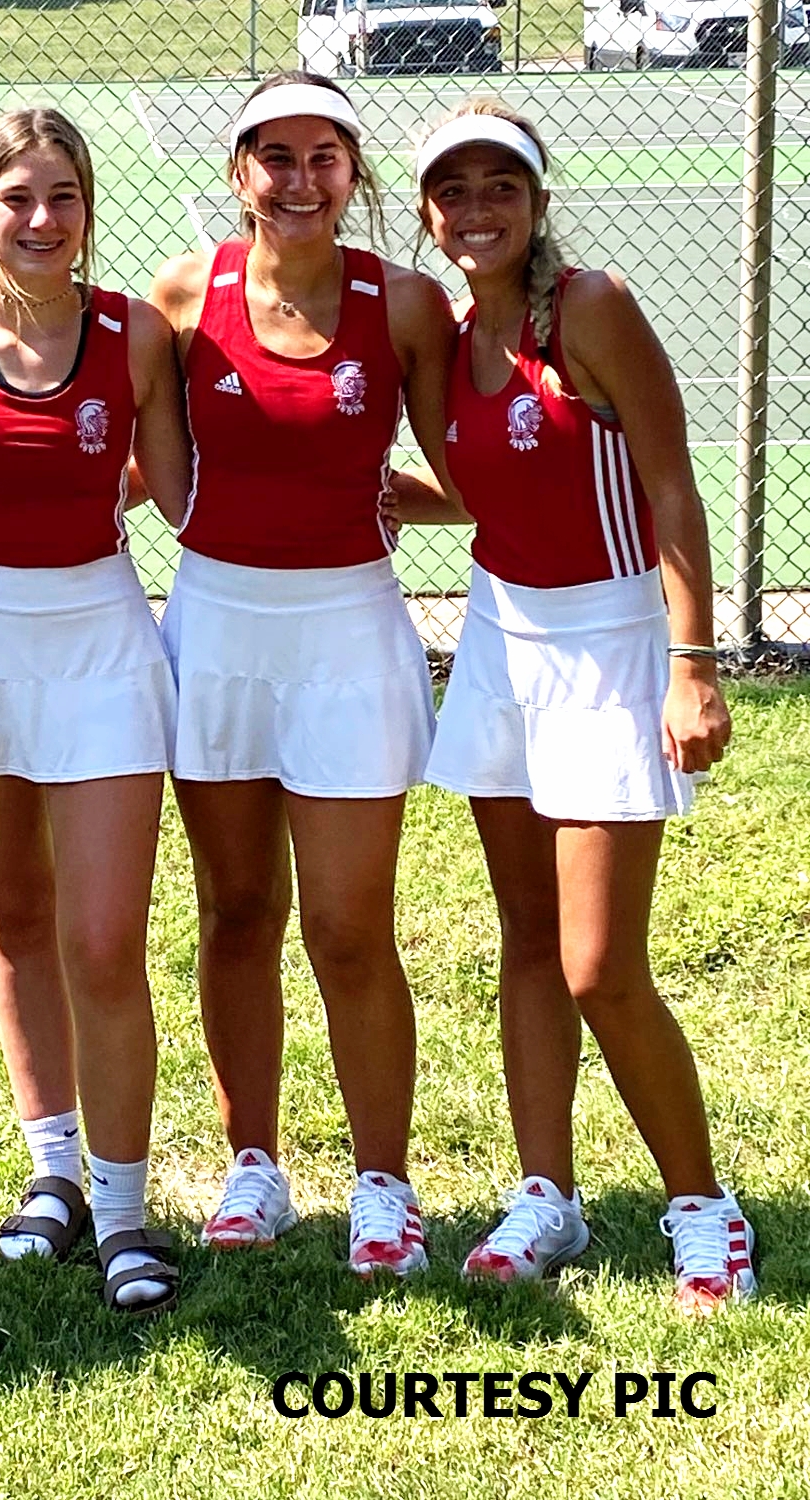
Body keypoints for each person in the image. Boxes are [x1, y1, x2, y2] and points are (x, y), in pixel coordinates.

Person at [405, 100, 753, 1311]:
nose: (478, 209)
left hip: (614, 646)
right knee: (526, 941)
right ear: (429, 212)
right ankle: (545, 1194)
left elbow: (666, 481)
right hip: (505, 642)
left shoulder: (588, 307)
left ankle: (706, 1206)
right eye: (456, 191)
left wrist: (692, 660)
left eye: (502, 187)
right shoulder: (445, 336)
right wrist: (411, 499)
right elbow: (501, 477)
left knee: (600, 963)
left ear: (538, 203)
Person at [148, 73, 455, 1275]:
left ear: (352, 173)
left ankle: (386, 1185)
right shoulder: (183, 296)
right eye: (273, 155)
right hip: (217, 628)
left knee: (347, 924)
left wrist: (377, 500)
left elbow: (466, 468)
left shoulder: (409, 305)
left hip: (350, 635)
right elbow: (143, 463)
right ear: (239, 175)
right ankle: (254, 1168)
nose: (298, 176)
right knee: (234, 912)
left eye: (324, 154)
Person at [0, 108, 191, 1314]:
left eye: (61, 195)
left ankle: (125, 1213)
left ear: (85, 207)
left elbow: (176, 486)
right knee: (18, 919)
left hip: (102, 642)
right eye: (17, 197)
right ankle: (54, 1176)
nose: (40, 219)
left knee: (106, 941)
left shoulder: (139, 336)